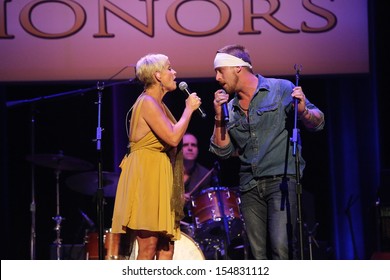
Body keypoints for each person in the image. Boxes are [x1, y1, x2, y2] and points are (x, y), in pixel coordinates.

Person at [209, 44, 325, 260]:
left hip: (280, 182)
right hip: (249, 186)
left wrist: (303, 112)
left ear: (237, 68)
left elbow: (318, 122)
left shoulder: (280, 89)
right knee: (256, 254)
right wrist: (218, 117)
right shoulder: (230, 108)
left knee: (281, 248)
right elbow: (223, 152)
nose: (217, 78)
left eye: (220, 71)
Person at [111, 53, 202, 260]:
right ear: (158, 75)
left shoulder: (158, 104)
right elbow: (173, 137)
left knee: (166, 247)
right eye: (170, 68)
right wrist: (188, 110)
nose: (174, 72)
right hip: (146, 174)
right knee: (148, 245)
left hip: (159, 173)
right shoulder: (147, 102)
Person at [181, 132, 218, 234]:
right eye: (185, 145)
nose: (190, 148)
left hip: (191, 223)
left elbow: (203, 204)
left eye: (193, 145)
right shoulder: (168, 170)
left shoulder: (204, 174)